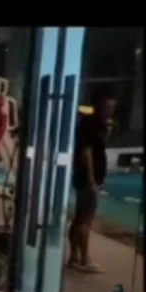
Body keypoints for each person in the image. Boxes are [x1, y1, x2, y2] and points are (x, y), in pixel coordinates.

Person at [67, 89, 116, 273]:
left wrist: (108, 130)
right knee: (86, 219)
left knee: (79, 217)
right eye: (108, 106)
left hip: (84, 177)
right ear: (99, 105)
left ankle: (74, 256)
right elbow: (86, 153)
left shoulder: (93, 124)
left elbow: (97, 148)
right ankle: (85, 259)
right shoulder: (91, 125)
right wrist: (91, 180)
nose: (111, 110)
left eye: (113, 107)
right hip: (88, 178)